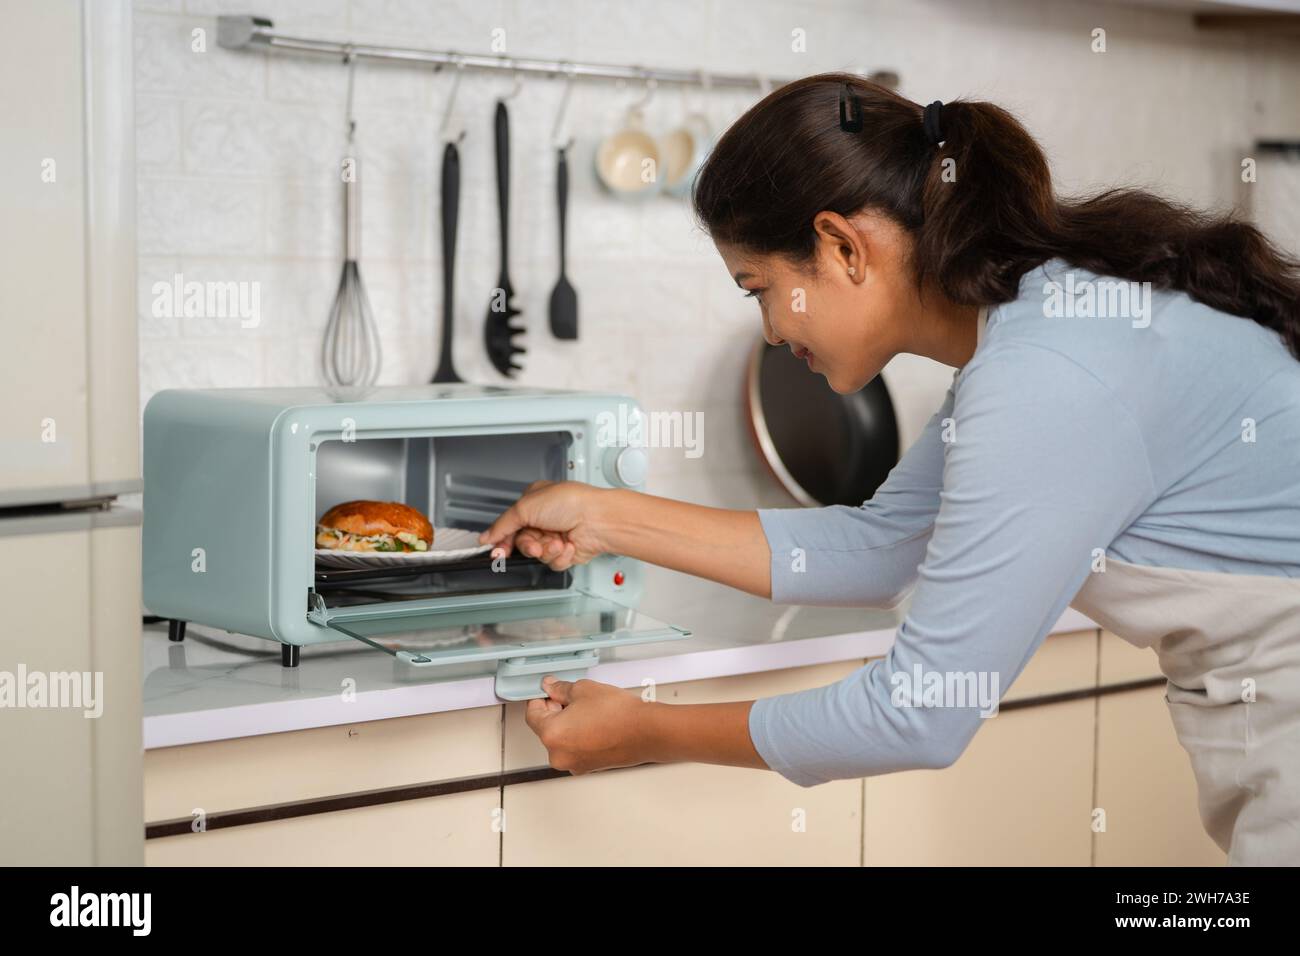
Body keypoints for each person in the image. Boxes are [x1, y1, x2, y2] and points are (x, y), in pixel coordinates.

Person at [479, 74, 1300, 866]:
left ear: (842, 246)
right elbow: (883, 546)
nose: (768, 329)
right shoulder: (1038, 332)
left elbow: (921, 714)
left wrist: (646, 732)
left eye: (756, 287)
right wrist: (606, 515)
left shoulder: (1047, 371)